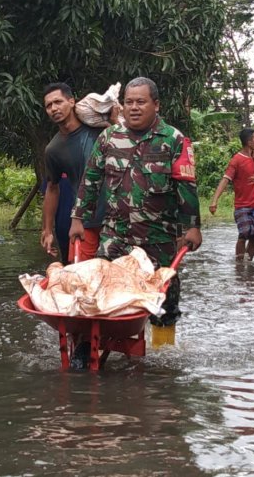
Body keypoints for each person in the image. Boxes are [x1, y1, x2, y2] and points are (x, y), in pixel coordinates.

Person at [70, 76, 202, 330]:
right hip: (114, 237)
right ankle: (98, 350)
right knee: (98, 294)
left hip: (158, 239)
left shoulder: (173, 139)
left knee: (164, 302)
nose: (134, 107)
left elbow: (186, 186)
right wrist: (78, 219)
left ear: (156, 105)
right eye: (129, 102)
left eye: (141, 102)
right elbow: (91, 180)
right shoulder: (109, 137)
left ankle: (163, 358)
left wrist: (192, 227)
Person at [40, 83, 106, 264]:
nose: (54, 108)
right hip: (84, 221)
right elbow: (52, 189)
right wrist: (47, 230)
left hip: (118, 218)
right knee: (78, 275)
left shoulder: (101, 129)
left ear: (71, 101)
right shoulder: (53, 149)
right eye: (48, 106)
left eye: (58, 102)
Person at [208, 128, 254, 261]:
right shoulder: (236, 160)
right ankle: (239, 264)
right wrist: (214, 201)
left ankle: (249, 264)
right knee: (244, 233)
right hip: (242, 205)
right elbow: (225, 179)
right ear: (248, 142)